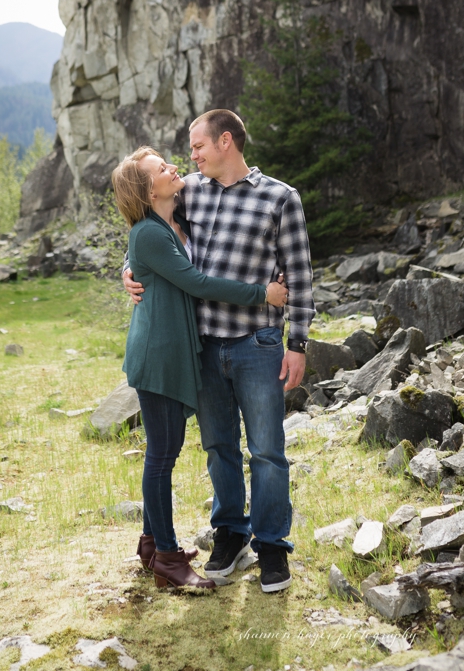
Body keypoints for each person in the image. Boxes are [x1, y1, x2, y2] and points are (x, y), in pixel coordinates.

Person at [122, 109, 313, 593]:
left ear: (225, 141)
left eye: (198, 147)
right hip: (205, 346)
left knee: (267, 451)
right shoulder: (191, 191)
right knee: (218, 448)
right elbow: (150, 230)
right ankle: (230, 533)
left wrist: (299, 343)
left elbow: (301, 274)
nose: (191, 157)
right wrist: (129, 268)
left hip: (260, 343)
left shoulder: (280, 197)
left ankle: (272, 546)